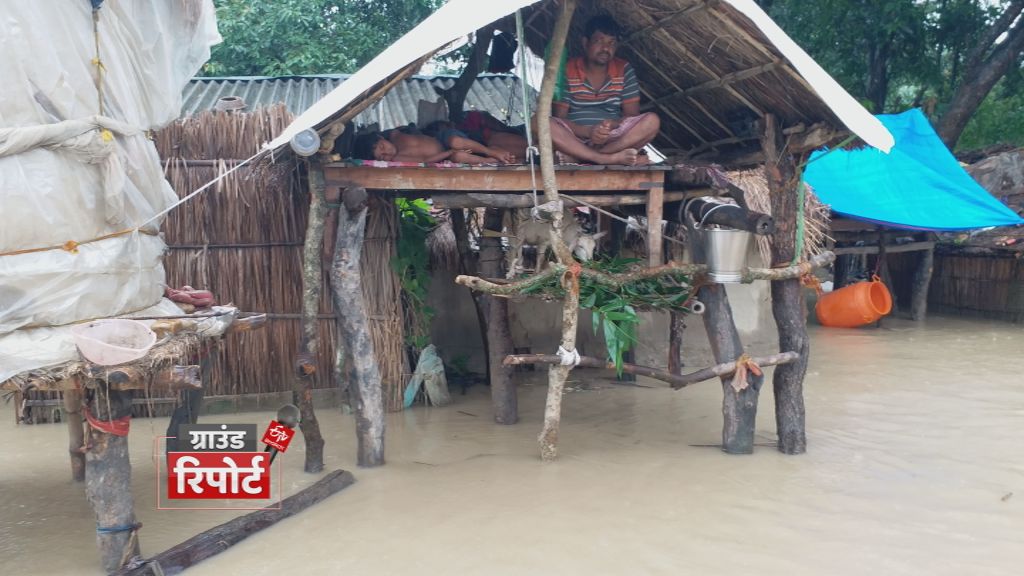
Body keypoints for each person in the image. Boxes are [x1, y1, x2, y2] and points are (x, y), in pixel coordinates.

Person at [545, 14, 660, 165]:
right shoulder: (568, 70)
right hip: (574, 138)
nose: (606, 48)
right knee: (542, 122)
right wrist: (589, 131)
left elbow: (631, 115)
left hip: (612, 140)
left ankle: (586, 157)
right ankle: (606, 159)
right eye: (599, 41)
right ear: (586, 43)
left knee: (652, 121)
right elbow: (560, 117)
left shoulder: (623, 69)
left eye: (611, 43)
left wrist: (612, 126)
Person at [351, 124, 500, 165]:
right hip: (446, 154)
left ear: (380, 137)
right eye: (382, 157)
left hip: (442, 139)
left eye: (383, 147)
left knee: (456, 141)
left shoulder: (394, 134)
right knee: (459, 156)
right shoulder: (398, 159)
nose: (387, 153)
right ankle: (488, 161)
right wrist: (448, 153)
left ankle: (490, 152)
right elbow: (425, 162)